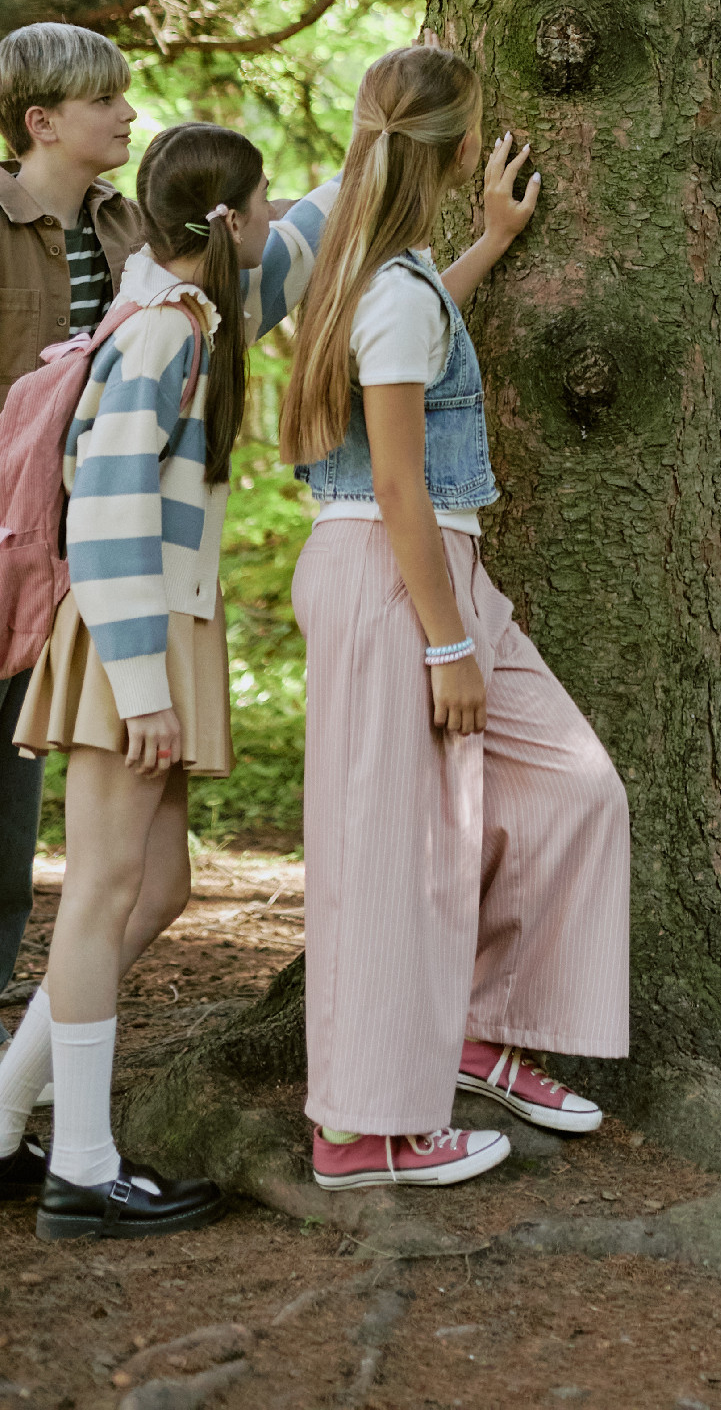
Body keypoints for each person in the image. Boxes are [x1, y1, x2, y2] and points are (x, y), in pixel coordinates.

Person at [280, 43, 629, 1193]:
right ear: (458, 141)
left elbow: (418, 358)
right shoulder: (380, 285)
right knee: (395, 861)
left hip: (431, 572)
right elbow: (394, 484)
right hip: (397, 578)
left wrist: (488, 243)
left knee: (574, 789)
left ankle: (475, 1038)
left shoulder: (390, 272)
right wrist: (445, 642)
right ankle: (359, 1131)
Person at [0, 119, 334, 1239]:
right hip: (127, 636)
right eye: (264, 203)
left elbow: (312, 228)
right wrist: (143, 687)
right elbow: (103, 516)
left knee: (158, 890)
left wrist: (389, 137)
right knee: (97, 895)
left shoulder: (197, 307)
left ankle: (2, 1116)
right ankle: (82, 1170)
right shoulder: (160, 335)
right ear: (228, 221)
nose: (275, 216)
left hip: (157, 628)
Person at [0, 25, 146, 1071]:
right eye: (109, 103)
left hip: (84, 558)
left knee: (16, 828)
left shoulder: (127, 226)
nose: (130, 117)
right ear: (42, 120)